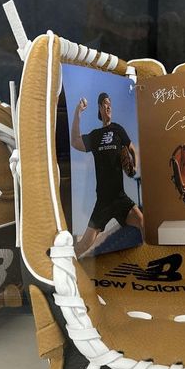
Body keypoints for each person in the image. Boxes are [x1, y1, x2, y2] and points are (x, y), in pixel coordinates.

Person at [70, 91, 144, 257]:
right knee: (83, 246)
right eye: (105, 103)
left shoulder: (118, 129)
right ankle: (67, 260)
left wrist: (135, 166)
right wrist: (77, 111)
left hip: (120, 197)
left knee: (142, 221)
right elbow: (75, 141)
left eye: (110, 103)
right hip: (103, 201)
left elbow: (132, 149)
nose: (109, 106)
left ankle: (148, 255)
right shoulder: (96, 136)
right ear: (100, 108)